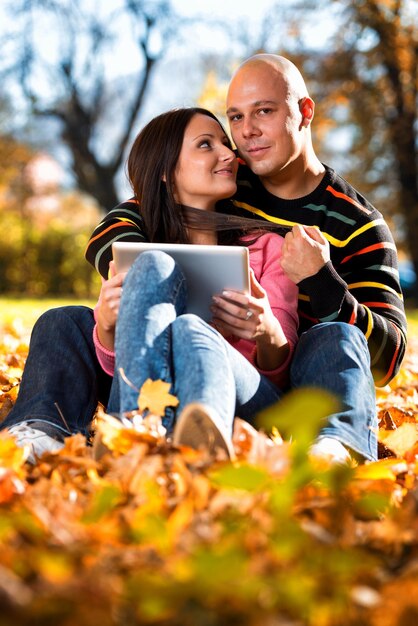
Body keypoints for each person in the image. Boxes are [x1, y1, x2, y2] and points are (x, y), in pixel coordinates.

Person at [3, 53, 406, 464]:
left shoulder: (357, 226)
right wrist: (135, 275)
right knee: (64, 319)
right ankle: (52, 428)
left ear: (304, 112)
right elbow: (122, 219)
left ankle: (328, 447)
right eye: (235, 117)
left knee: (326, 336)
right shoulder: (231, 178)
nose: (244, 136)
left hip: (274, 383)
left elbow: (386, 358)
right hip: (154, 362)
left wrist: (321, 283)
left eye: (263, 111)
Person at [92, 107, 298, 457]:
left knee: (190, 328)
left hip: (247, 404)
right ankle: (142, 433)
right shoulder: (143, 259)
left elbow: (280, 376)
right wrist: (109, 326)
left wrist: (267, 331)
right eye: (206, 145)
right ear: (165, 172)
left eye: (224, 143)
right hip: (157, 399)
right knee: (152, 268)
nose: (228, 154)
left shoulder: (268, 249)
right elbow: (120, 369)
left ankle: (169, 439)